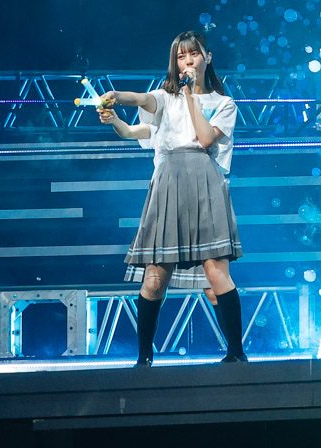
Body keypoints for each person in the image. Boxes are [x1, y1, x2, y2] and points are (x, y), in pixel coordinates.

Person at [100, 30, 244, 365]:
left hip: (205, 182)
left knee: (215, 273)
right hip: (168, 182)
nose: (187, 60)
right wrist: (116, 99)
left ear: (207, 57)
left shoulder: (224, 104)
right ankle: (144, 358)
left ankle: (237, 354)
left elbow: (205, 139)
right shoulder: (166, 97)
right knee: (154, 278)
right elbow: (141, 102)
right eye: (181, 56)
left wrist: (192, 95)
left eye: (193, 53)